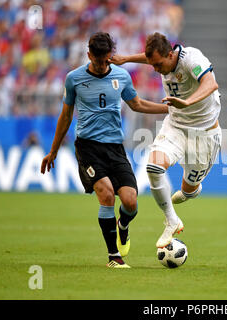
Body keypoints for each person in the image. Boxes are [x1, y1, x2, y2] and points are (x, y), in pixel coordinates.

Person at [40, 32, 168, 268]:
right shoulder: (74, 79)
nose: (101, 65)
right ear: (89, 55)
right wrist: (54, 150)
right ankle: (114, 257)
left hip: (115, 148)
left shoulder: (122, 75)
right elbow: (66, 115)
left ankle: (123, 225)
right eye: (96, 60)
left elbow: (137, 104)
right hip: (88, 147)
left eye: (105, 60)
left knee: (130, 202)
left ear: (110, 55)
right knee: (107, 194)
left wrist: (167, 110)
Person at [110, 32, 222, 248]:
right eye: (153, 65)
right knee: (153, 167)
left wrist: (187, 102)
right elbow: (149, 57)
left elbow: (210, 84)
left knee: (188, 190)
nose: (156, 69)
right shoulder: (161, 58)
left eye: (159, 64)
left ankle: (192, 190)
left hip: (204, 133)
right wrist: (125, 59)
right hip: (176, 126)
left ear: (170, 55)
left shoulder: (192, 59)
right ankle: (171, 220)